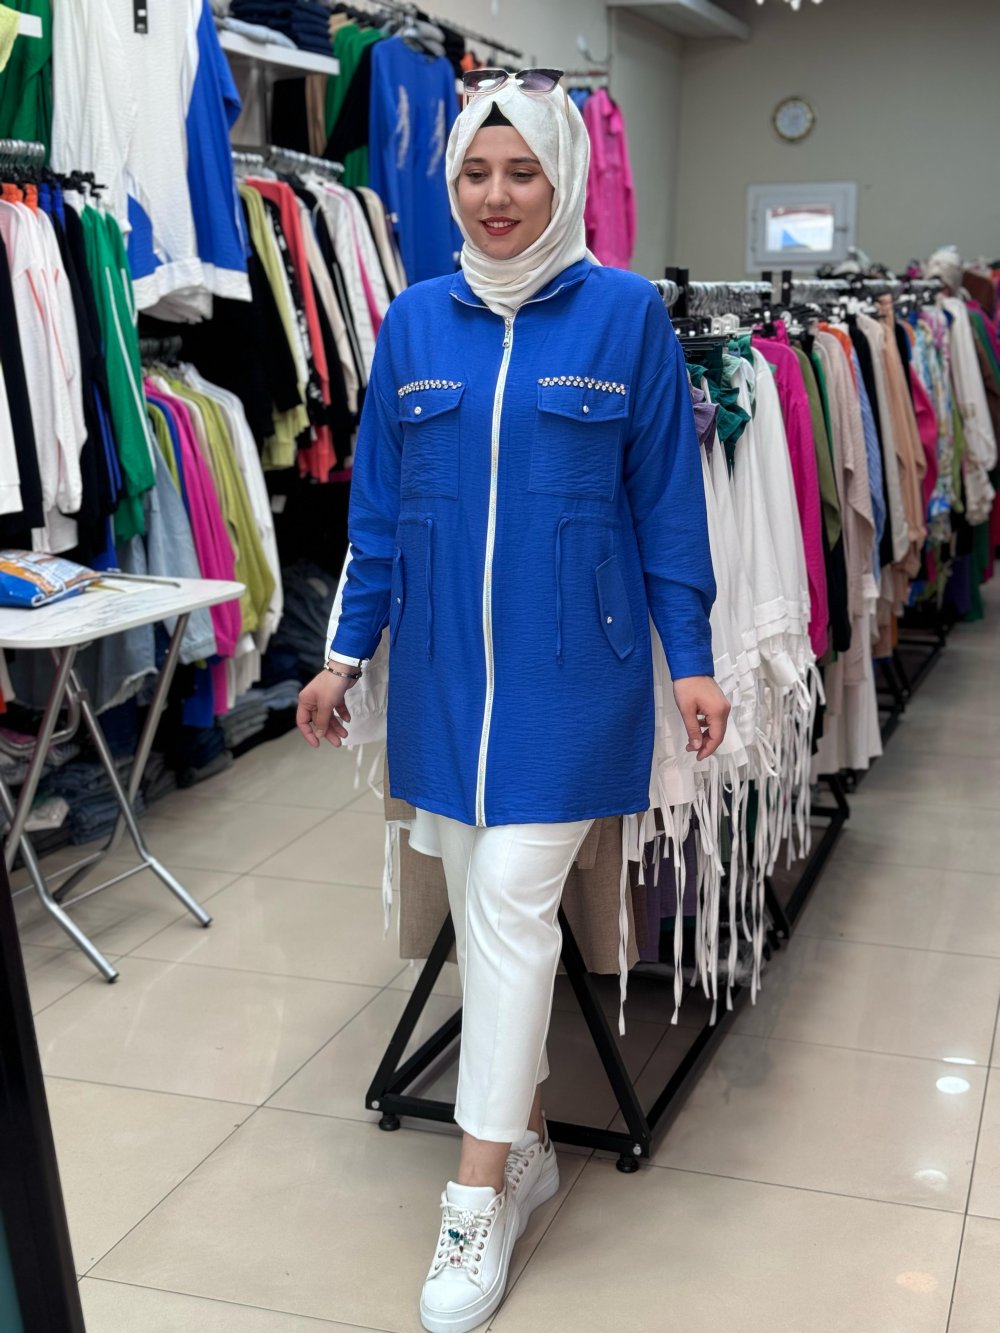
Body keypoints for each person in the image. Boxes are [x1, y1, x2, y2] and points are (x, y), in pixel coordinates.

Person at [296, 68, 730, 1333]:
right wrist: (340, 656)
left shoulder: (626, 318)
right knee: (487, 913)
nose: (497, 196)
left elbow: (667, 505)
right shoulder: (411, 322)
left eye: (521, 171)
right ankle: (527, 1134)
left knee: (505, 903)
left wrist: (692, 658)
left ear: (563, 179)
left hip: (572, 676)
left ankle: (476, 1193)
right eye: (476, 173)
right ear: (450, 185)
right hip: (439, 679)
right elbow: (378, 514)